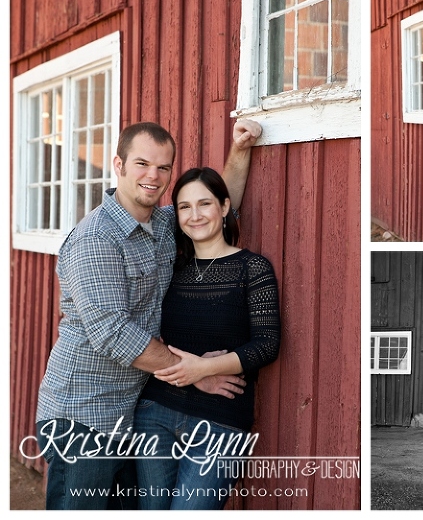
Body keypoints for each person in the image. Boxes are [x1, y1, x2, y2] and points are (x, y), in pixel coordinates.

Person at [34, 119, 263, 510]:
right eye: (141, 164)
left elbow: (215, 208)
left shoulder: (159, 223)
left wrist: (240, 149)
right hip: (83, 414)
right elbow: (113, 333)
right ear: (118, 165)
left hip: (128, 413)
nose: (152, 176)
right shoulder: (97, 238)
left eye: (163, 167)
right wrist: (195, 373)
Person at [133, 167, 281, 509]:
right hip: (155, 412)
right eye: (184, 207)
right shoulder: (170, 268)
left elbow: (267, 344)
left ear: (225, 207)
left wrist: (202, 368)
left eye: (205, 204)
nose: (195, 215)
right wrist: (194, 372)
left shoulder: (252, 268)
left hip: (220, 422)